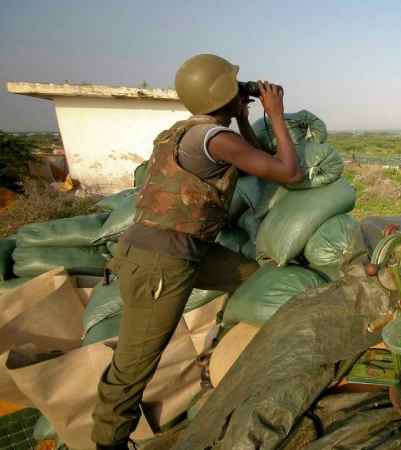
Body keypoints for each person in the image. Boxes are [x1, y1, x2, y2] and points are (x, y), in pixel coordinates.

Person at [92, 53, 302, 450]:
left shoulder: (189, 132)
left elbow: (260, 160)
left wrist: (242, 114)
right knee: (135, 364)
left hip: (183, 251)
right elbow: (288, 171)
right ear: (221, 93)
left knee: (254, 279)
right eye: (234, 89)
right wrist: (275, 114)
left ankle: (225, 357)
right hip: (161, 263)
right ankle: (109, 441)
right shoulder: (217, 140)